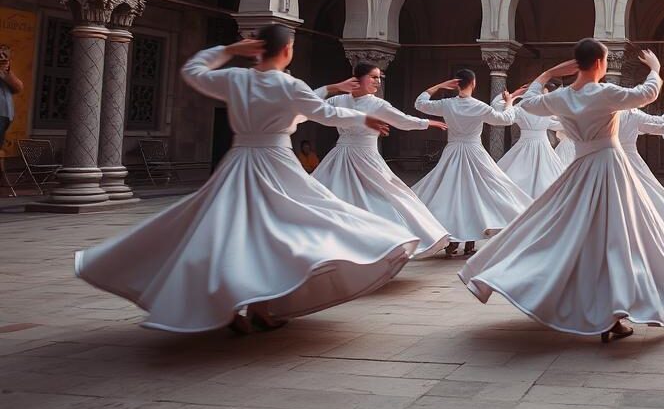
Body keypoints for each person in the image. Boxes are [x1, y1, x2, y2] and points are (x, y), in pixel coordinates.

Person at [75, 26, 418, 334]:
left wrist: (227, 50)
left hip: (239, 162)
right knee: (294, 224)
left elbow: (192, 71)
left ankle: (249, 308)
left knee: (234, 233)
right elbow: (325, 113)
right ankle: (259, 306)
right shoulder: (288, 85)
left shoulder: (237, 79)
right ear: (286, 51)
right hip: (276, 163)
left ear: (256, 49)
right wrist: (365, 118)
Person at [459, 40, 664, 342]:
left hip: (580, 168)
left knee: (565, 230)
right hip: (611, 167)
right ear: (599, 63)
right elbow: (646, 94)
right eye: (607, 61)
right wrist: (656, 69)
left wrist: (548, 73)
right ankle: (612, 312)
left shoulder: (562, 97)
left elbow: (529, 102)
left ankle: (586, 303)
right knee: (620, 236)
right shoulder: (605, 93)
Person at [311, 63, 452, 259]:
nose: (378, 82)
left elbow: (402, 120)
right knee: (333, 197)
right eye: (374, 77)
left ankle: (385, 242)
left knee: (387, 197)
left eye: (379, 77)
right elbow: (311, 105)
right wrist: (332, 87)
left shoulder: (377, 104)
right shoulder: (338, 100)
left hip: (367, 157)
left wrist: (426, 123)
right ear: (357, 78)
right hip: (341, 156)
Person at [412, 70, 529, 257]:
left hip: (453, 152)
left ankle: (454, 240)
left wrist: (439, 86)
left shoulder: (447, 104)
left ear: (456, 84)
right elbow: (505, 120)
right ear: (473, 83)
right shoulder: (479, 106)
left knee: (451, 195)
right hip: (474, 152)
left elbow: (419, 104)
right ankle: (468, 240)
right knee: (478, 194)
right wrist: (510, 101)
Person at [618, 103, 664, 236]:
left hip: (611, 156)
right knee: (647, 188)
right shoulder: (633, 114)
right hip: (630, 157)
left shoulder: (606, 114)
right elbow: (655, 123)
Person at [493, 82, 565, 199]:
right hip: (542, 147)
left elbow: (497, 107)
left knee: (513, 178)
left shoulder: (520, 109)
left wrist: (514, 94)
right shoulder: (547, 110)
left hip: (524, 146)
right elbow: (561, 124)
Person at [0, 44, 23, 187]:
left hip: (4, 114)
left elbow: (18, 87)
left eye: (4, 56)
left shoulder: (6, 72)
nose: (2, 58)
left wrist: (7, 72)